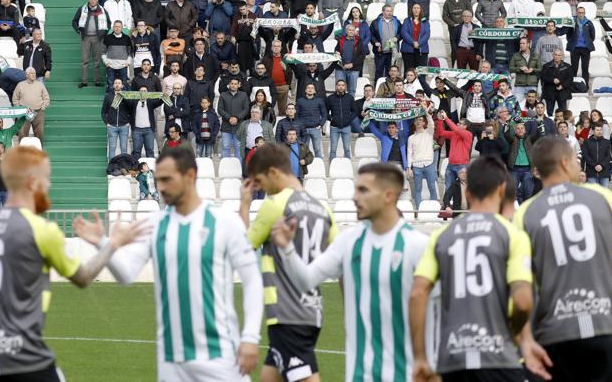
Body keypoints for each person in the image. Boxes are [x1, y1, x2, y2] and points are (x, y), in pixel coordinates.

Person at [0, 140, 143, 381]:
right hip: (25, 354)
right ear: (32, 183)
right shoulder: (41, 230)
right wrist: (112, 245)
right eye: (46, 178)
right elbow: (84, 277)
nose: (50, 184)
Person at [84, 145, 262, 381]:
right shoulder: (155, 225)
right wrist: (105, 244)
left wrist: (250, 338)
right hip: (171, 360)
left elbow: (252, 281)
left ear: (190, 176)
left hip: (220, 356)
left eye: (167, 179)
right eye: (159, 180)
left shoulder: (224, 222)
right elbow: (126, 274)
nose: (161, 187)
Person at [269, 161, 432, 382]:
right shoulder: (349, 241)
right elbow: (306, 281)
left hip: (405, 375)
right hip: (359, 375)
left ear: (389, 195)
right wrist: (287, 248)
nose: (355, 197)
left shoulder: (417, 245)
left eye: (363, 190)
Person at [513, 136, 612, 382]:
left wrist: (525, 340)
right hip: (605, 328)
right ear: (564, 162)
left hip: (554, 335)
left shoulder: (526, 212)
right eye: (575, 160)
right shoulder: (602, 197)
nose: (579, 166)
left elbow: (521, 294)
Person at [410, 155, 534, 382]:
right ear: (500, 191)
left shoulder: (441, 237)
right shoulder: (512, 235)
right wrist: (515, 334)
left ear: (467, 193)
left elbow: (418, 293)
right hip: (499, 356)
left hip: (453, 358)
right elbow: (523, 302)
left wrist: (420, 357)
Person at [241, 142, 336, 382]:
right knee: (269, 377)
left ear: (273, 173)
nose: (261, 188)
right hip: (312, 310)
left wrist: (244, 205)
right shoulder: (323, 208)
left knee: (304, 377)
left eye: (261, 182)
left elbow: (242, 249)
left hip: (287, 312)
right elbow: (335, 258)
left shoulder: (276, 205)